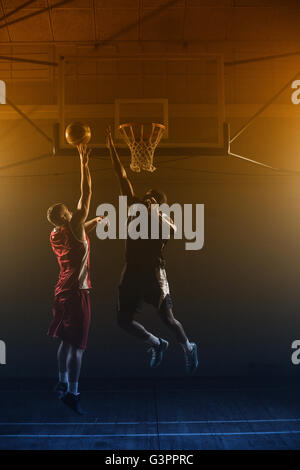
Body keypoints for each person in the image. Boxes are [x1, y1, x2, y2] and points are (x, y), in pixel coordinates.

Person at [106, 129, 198, 374]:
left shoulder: (164, 221)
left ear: (159, 204)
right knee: (122, 321)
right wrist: (112, 149)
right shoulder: (134, 206)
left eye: (152, 199)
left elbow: (175, 229)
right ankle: (157, 344)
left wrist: (156, 211)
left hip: (154, 273)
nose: (147, 199)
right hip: (131, 272)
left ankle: (189, 349)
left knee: (168, 319)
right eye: (146, 197)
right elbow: (121, 174)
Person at [47, 144, 105, 414]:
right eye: (70, 211)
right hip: (77, 290)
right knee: (78, 347)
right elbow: (87, 192)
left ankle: (60, 383)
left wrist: (95, 221)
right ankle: (73, 392)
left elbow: (79, 231)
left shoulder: (56, 234)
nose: (74, 210)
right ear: (66, 217)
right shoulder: (73, 224)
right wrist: (83, 161)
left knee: (65, 342)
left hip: (61, 290)